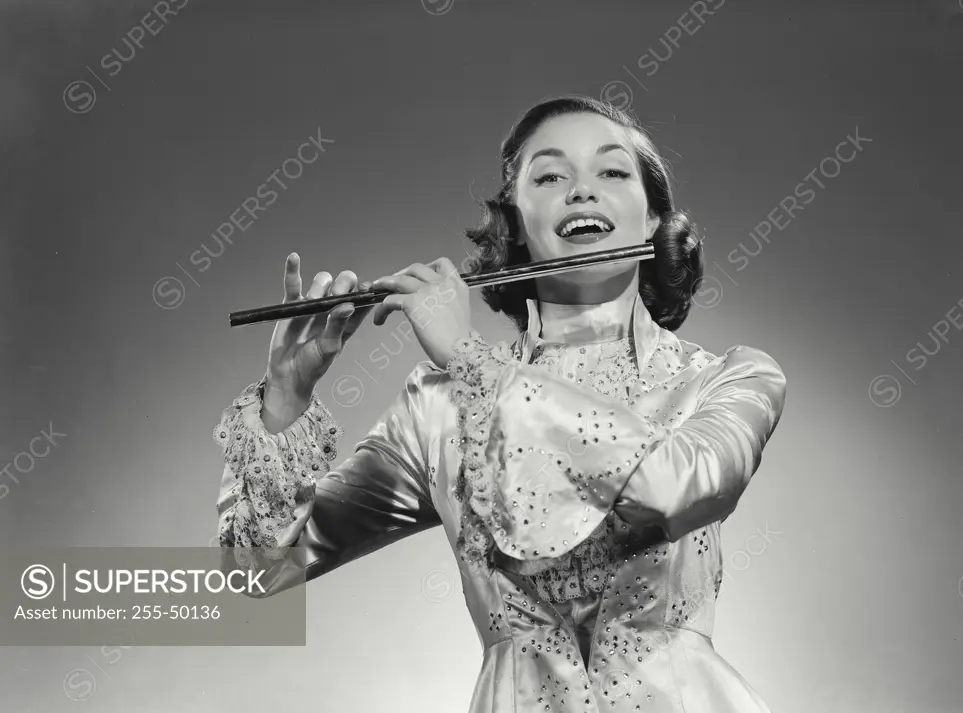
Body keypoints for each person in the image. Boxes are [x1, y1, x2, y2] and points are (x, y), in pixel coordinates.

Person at [213, 95, 787, 712]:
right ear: (512, 224)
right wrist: (286, 399)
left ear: (652, 220)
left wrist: (469, 358)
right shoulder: (438, 409)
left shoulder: (731, 377)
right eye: (550, 176)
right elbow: (257, 574)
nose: (582, 191)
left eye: (613, 172)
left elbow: (675, 487)